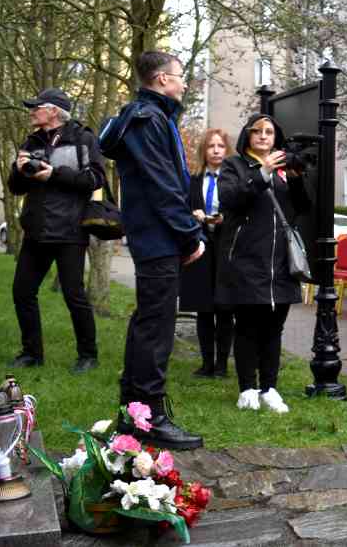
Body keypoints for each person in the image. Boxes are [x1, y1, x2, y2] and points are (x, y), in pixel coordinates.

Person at [111, 51, 205, 450]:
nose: (184, 83)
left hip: (154, 236)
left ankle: (134, 412)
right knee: (156, 329)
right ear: (163, 79)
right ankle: (148, 418)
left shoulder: (150, 117)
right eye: (181, 77)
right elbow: (162, 186)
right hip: (158, 237)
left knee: (148, 323)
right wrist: (189, 234)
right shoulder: (149, 119)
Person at [216, 114, 310, 414]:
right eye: (258, 131)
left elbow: (302, 208)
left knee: (274, 328)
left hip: (281, 262)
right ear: (248, 135)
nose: (264, 136)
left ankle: (270, 388)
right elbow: (230, 198)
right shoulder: (235, 165)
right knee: (247, 327)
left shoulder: (283, 169)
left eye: (270, 132)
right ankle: (247, 388)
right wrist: (263, 173)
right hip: (247, 260)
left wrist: (295, 181)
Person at [7, 87, 105, 373]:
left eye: (36, 107)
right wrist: (19, 167)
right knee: (22, 292)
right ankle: (31, 354)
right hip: (36, 230)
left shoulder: (83, 138)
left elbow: (95, 179)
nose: (32, 111)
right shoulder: (32, 140)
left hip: (70, 231)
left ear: (53, 111)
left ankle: (88, 355)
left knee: (74, 296)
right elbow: (16, 187)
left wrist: (54, 174)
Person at [180, 128, 234, 379]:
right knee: (203, 309)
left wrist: (226, 218)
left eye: (220, 146)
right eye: (210, 146)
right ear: (204, 151)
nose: (215, 150)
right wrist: (194, 214)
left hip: (225, 248)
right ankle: (206, 364)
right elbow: (184, 208)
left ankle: (222, 365)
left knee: (224, 308)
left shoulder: (233, 180)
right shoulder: (193, 180)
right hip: (201, 248)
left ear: (227, 150)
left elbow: (241, 210)